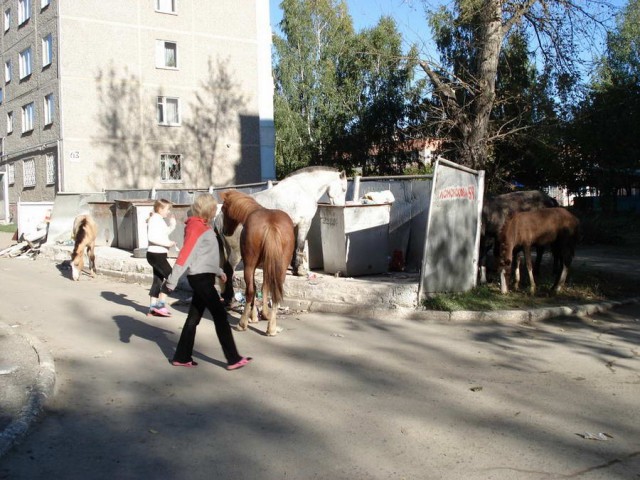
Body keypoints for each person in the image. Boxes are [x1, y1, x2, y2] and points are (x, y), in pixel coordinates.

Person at [165, 193, 251, 371]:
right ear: (208, 209)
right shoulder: (196, 227)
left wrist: (219, 271)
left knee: (193, 318)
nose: (215, 210)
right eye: (214, 207)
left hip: (205, 276)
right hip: (200, 278)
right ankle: (233, 358)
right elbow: (186, 255)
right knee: (220, 316)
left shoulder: (202, 226)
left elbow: (205, 256)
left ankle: (181, 357)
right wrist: (171, 282)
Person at [146, 199, 177, 317]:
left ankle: (152, 309)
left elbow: (164, 234)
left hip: (158, 254)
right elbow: (151, 237)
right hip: (155, 254)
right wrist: (167, 244)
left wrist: (172, 224)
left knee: (158, 280)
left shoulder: (159, 220)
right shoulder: (155, 219)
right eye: (167, 209)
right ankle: (160, 305)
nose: (168, 212)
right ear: (160, 209)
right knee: (172, 278)